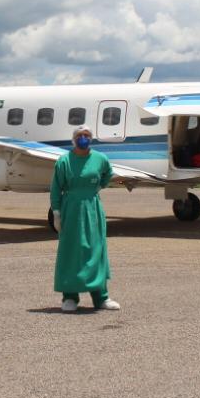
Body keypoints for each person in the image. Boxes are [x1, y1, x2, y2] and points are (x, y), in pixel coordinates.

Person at [50, 126, 120, 312]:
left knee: (96, 250)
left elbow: (108, 175)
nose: (83, 138)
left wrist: (96, 188)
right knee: (72, 251)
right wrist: (56, 212)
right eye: (80, 136)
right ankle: (70, 297)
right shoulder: (64, 161)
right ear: (74, 139)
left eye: (87, 136)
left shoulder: (100, 159)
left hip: (93, 208)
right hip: (71, 209)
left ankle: (101, 298)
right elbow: (56, 187)